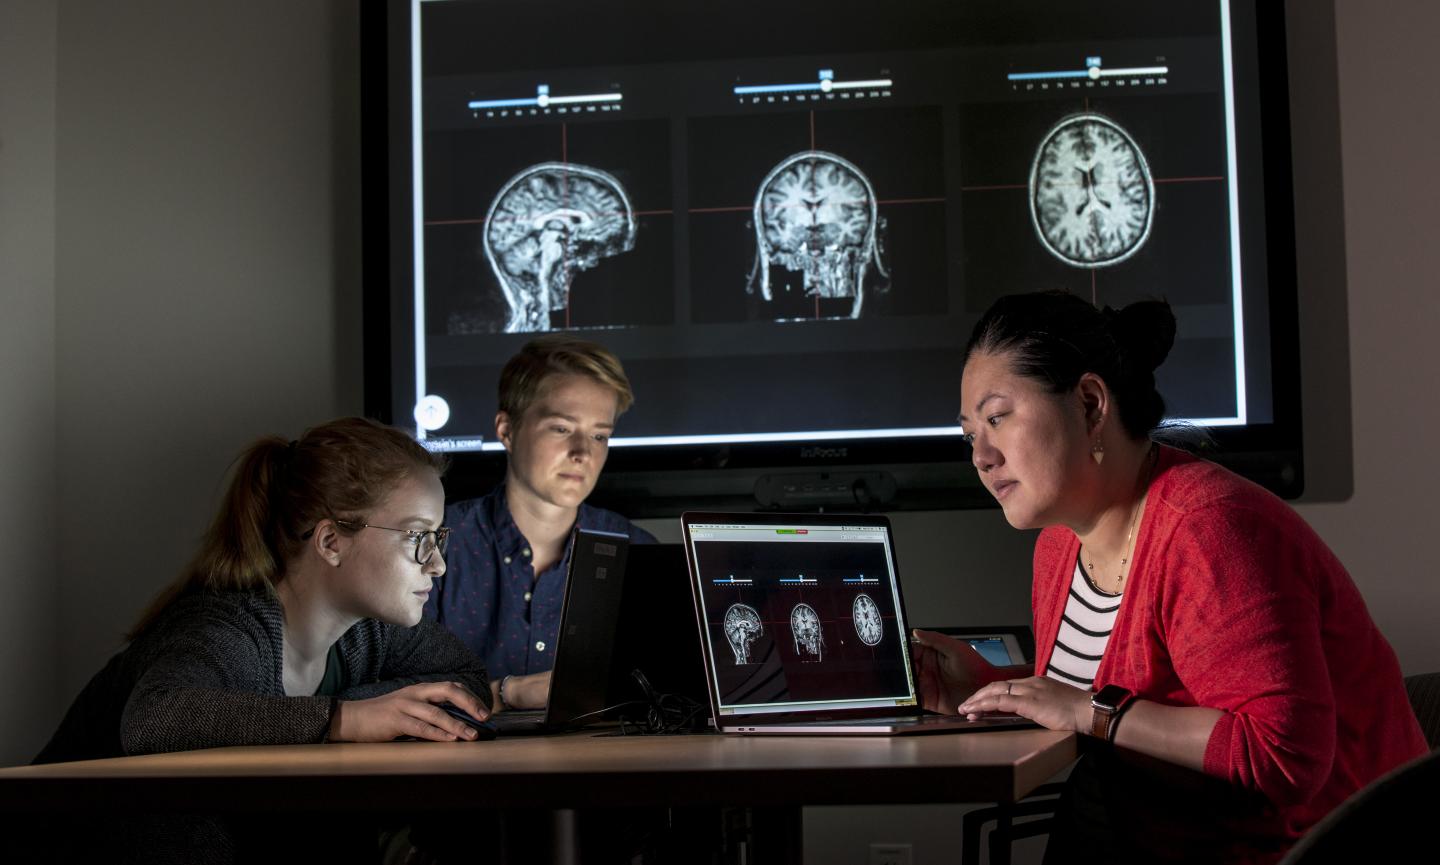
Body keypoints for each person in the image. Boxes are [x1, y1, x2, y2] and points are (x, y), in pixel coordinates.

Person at [911, 290, 1426, 864]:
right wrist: (993, 687)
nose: (981, 455)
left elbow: (1282, 755)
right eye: (969, 434)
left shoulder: (1209, 529)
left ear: (1088, 403)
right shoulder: (1059, 544)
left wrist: (1088, 713)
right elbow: (1135, 691)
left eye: (997, 418)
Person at [30, 417, 492, 862]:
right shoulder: (228, 626)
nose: (436, 564)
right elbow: (153, 718)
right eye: (416, 535)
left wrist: (365, 709)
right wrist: (343, 720)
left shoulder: (369, 631)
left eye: (437, 537)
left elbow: (466, 680)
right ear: (331, 542)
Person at [425, 335, 655, 713]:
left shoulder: (637, 552)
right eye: (562, 428)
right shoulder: (435, 544)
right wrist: (507, 693)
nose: (583, 452)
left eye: (599, 435)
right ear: (506, 431)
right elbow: (384, 694)